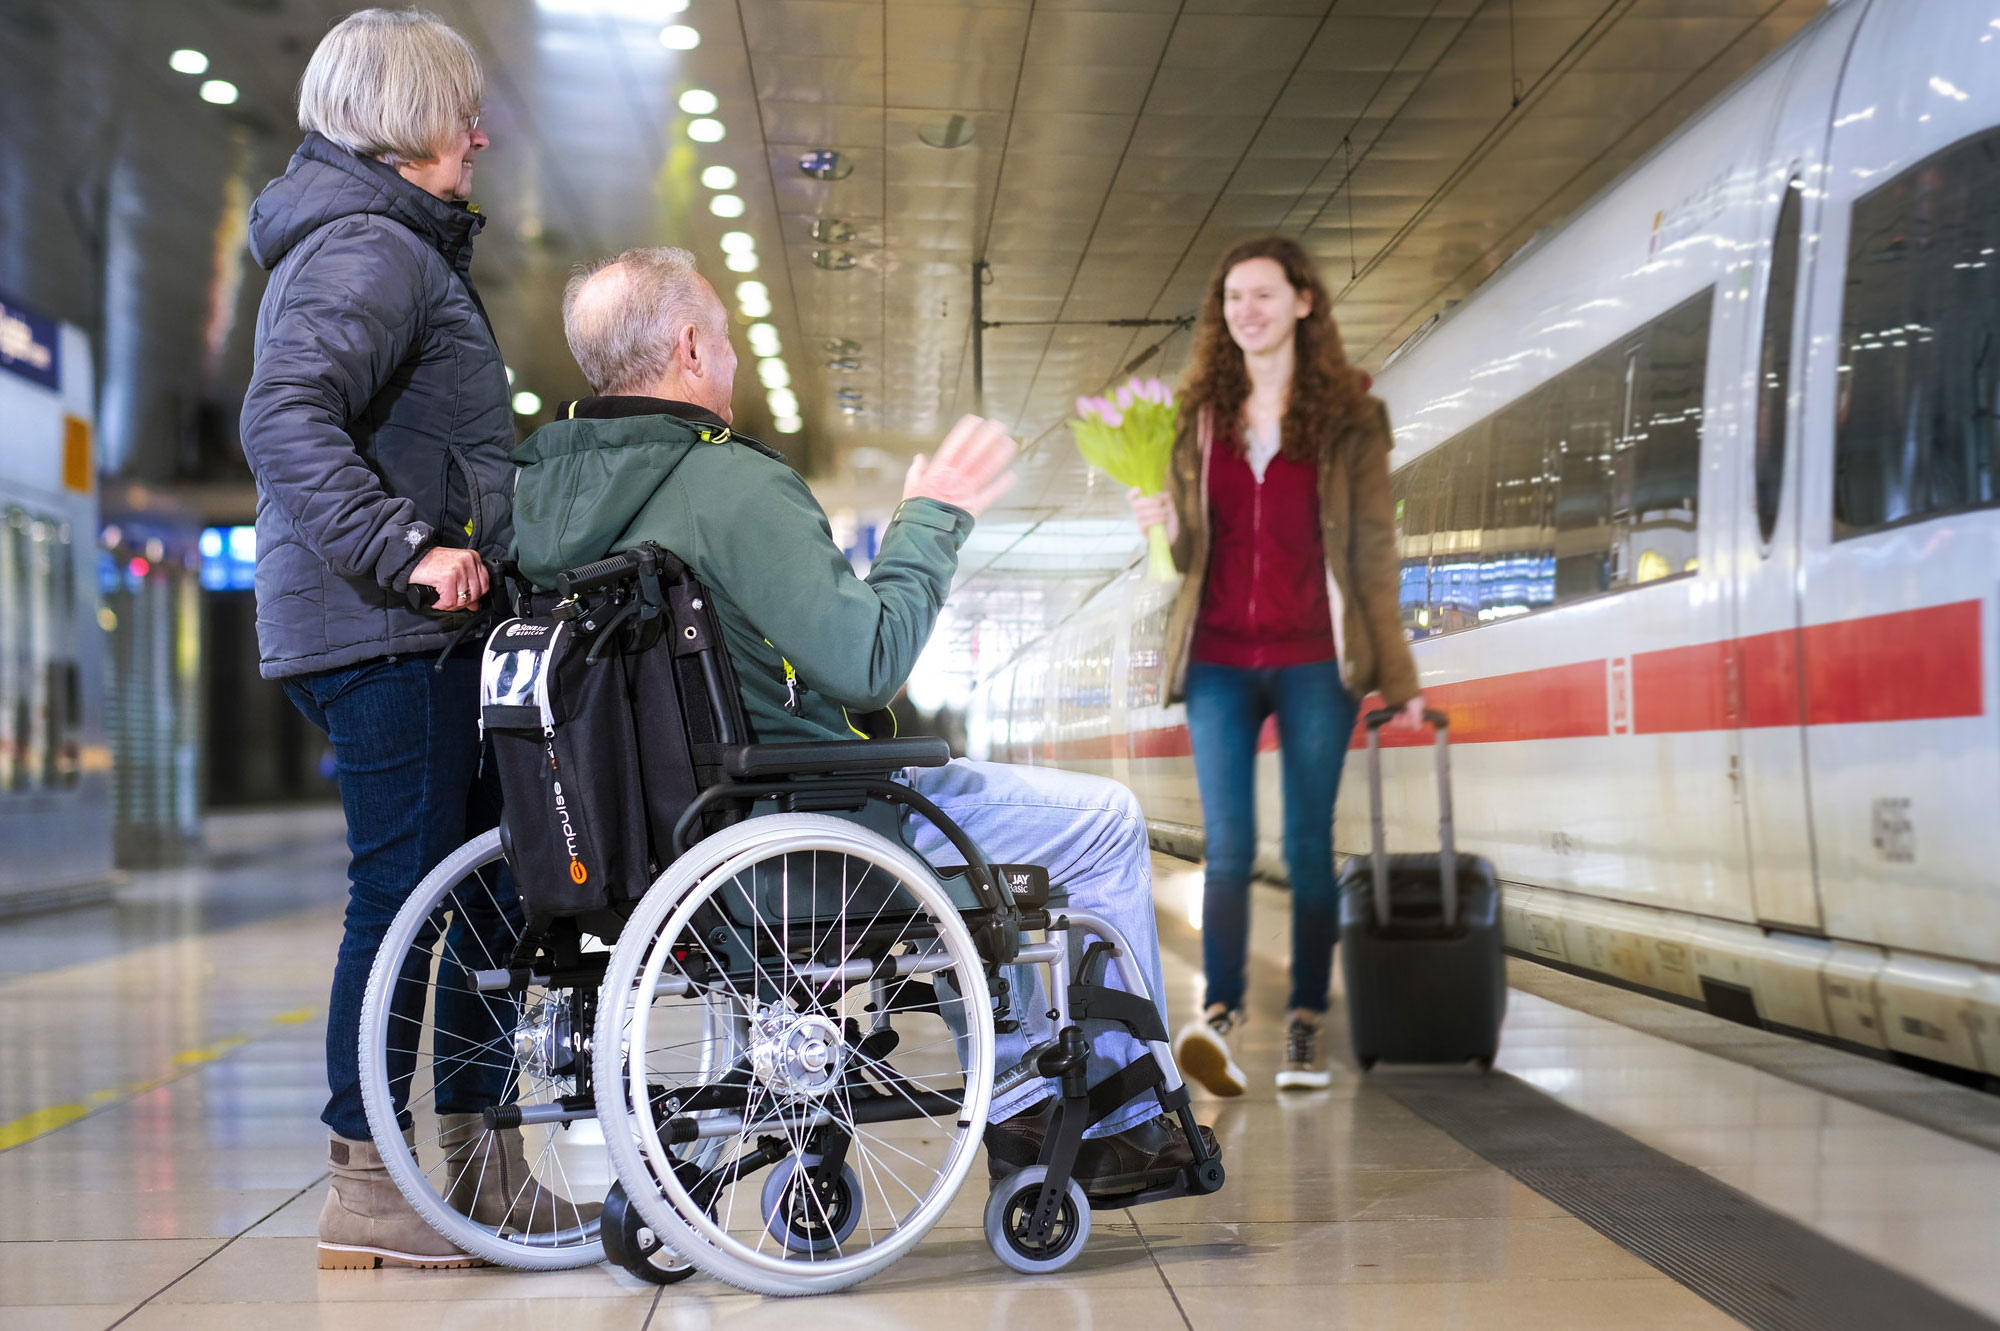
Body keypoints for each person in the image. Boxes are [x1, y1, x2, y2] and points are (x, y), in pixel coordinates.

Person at [512, 245, 1212, 1191]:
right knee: (1102, 821)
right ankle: (1110, 1120)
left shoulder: (538, 500)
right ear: (689, 348)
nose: (733, 358)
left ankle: (1022, 1084)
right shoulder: (729, 486)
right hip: (803, 828)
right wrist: (932, 517)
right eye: (724, 337)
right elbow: (866, 665)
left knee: (964, 836)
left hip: (649, 844)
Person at [240, 9, 574, 1270]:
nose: (479, 137)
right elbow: (283, 415)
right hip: (384, 627)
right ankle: (368, 1183)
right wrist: (408, 548)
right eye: (459, 114)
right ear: (401, 121)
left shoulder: (391, 243)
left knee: (478, 886)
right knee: (400, 899)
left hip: (412, 629)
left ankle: (485, 1168)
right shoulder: (369, 247)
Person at [1127, 235, 1424, 1096]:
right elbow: (1188, 555)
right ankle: (1219, 1014)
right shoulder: (1196, 419)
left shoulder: (1352, 418)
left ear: (1302, 302)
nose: (1246, 311)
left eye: (1262, 294)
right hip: (1219, 656)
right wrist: (1161, 524)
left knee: (1306, 844)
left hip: (1315, 658)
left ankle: (1305, 1020)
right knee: (1226, 847)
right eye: (1233, 298)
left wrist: (1398, 676)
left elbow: (1373, 550)